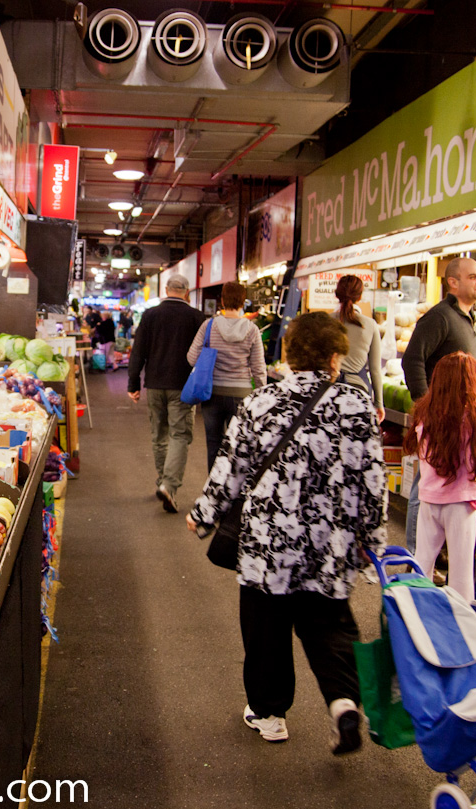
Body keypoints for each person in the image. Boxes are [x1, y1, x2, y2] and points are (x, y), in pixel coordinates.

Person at [185, 312, 388, 753]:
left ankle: (269, 713)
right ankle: (342, 703)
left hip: (267, 544)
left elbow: (230, 469)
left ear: (289, 355)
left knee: (265, 629)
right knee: (329, 626)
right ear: (336, 358)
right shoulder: (356, 407)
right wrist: (372, 543)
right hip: (329, 544)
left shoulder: (260, 403)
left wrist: (204, 514)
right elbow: (373, 483)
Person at [401, 257, 476, 552]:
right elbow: (412, 359)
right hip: (439, 417)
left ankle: (436, 555)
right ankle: (416, 553)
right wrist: (426, 408)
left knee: (444, 487)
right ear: (453, 282)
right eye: (473, 276)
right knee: (425, 486)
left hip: (461, 420)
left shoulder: (467, 318)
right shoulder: (439, 317)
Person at [402, 352, 476, 603]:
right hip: (461, 503)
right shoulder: (472, 419)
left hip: (429, 500)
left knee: (422, 561)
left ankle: (411, 613)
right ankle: (461, 623)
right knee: (461, 569)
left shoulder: (424, 414)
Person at [127, 275, 207, 512]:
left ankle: (163, 480)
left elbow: (138, 350)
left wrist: (133, 383)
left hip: (154, 384)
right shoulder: (196, 317)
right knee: (180, 435)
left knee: (159, 435)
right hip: (183, 387)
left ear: (166, 289)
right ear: (186, 291)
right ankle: (169, 486)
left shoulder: (150, 315)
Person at [186, 281, 266, 471]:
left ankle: (213, 494)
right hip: (241, 395)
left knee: (214, 443)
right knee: (238, 445)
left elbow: (191, 357)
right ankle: (234, 494)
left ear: (221, 300)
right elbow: (258, 367)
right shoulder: (252, 330)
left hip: (211, 393)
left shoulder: (209, 326)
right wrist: (262, 394)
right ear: (243, 302)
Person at [334, 274, 385, 423]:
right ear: (360, 296)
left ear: (337, 294)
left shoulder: (326, 322)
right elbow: (375, 370)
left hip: (328, 389)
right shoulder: (370, 324)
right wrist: (379, 404)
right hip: (359, 391)